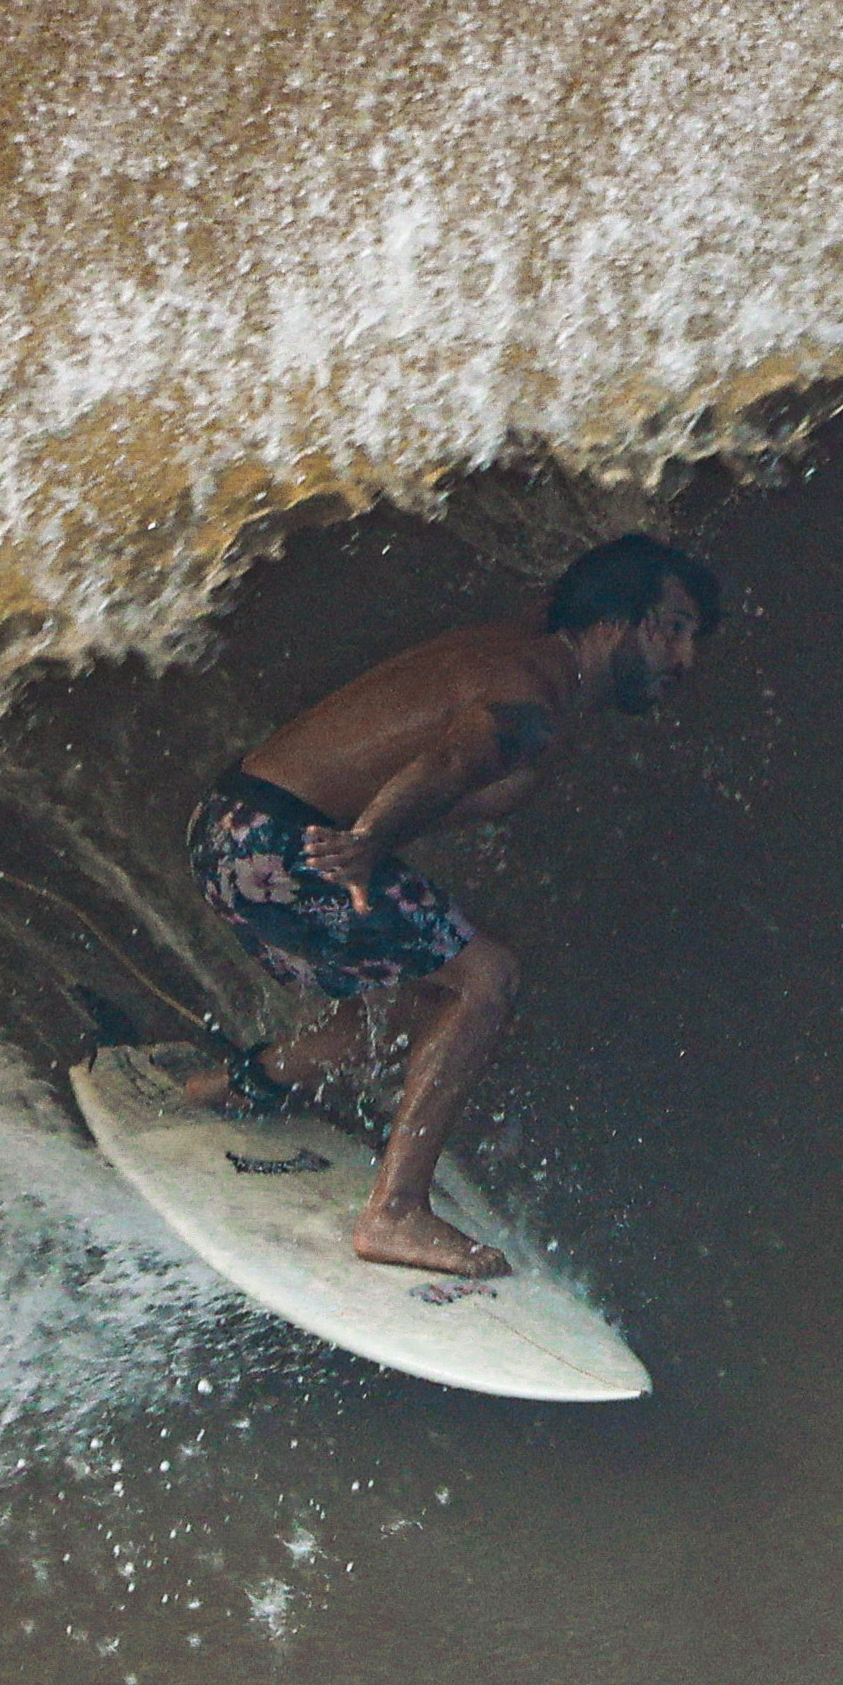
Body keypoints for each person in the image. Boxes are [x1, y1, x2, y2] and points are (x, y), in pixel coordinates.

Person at [179, 534, 725, 1275]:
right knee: (486, 979)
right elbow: (456, 757)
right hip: (276, 846)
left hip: (227, 828)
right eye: (671, 628)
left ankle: (233, 1088)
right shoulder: (533, 696)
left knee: (411, 1005)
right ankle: (394, 1212)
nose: (685, 659)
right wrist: (371, 839)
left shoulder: (521, 651)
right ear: (611, 619)